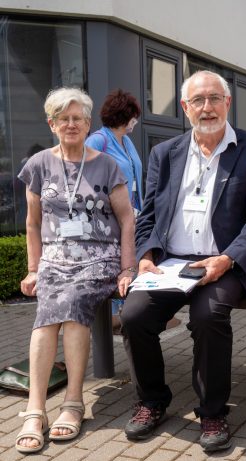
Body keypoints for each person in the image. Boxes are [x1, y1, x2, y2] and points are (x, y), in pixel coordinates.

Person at [120, 70, 246, 452]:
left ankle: (212, 411)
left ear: (228, 103)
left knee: (208, 318)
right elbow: (149, 217)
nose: (207, 108)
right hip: (171, 263)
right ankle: (153, 401)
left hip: (224, 260)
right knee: (134, 317)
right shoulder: (164, 153)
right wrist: (146, 258)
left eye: (214, 99)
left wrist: (227, 259)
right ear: (186, 108)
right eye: (198, 101)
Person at [14, 87, 136, 454]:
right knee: (46, 316)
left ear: (87, 124)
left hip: (99, 257)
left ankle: (73, 401)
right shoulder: (37, 165)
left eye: (78, 118)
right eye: (63, 118)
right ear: (52, 124)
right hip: (54, 258)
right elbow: (33, 224)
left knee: (69, 304)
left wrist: (127, 266)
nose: (71, 124)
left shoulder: (107, 164)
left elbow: (127, 218)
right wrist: (34, 269)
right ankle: (36, 407)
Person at [85, 89, 143, 331]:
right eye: (134, 117)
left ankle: (123, 312)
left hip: (133, 213)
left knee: (129, 263)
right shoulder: (99, 140)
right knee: (113, 264)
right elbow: (85, 177)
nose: (135, 123)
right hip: (109, 217)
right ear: (126, 116)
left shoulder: (126, 141)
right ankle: (105, 320)